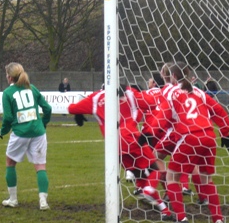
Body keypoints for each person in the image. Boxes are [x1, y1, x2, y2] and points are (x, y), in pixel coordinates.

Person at [67, 84, 173, 220]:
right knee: (154, 169)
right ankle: (147, 191)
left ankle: (165, 212)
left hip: (113, 145)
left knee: (139, 176)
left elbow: (71, 108)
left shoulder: (96, 97)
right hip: (130, 137)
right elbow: (151, 103)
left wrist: (79, 112)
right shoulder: (129, 93)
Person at [154, 61, 229, 223]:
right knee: (207, 179)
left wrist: (150, 134)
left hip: (189, 137)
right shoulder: (198, 91)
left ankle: (181, 218)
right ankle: (218, 219)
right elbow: (219, 110)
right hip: (209, 137)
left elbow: (163, 117)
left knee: (172, 178)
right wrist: (225, 133)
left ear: (173, 76)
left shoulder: (170, 92)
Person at [0, 62, 52, 210]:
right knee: (40, 166)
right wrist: (44, 123)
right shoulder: (32, 88)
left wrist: (2, 131)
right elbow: (47, 108)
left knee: (10, 163)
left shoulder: (8, 93)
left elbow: (8, 118)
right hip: (38, 132)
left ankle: (13, 199)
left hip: (20, 133)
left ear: (9, 77)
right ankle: (43, 202)